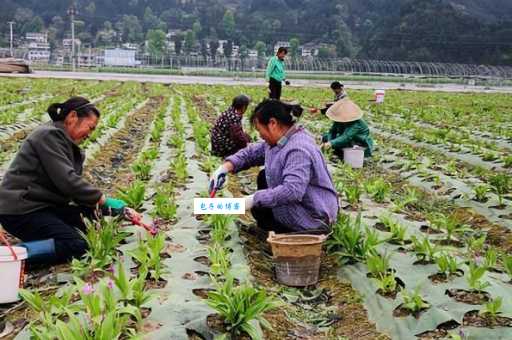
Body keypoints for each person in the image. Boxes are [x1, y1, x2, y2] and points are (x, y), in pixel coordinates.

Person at [0, 96, 128, 265]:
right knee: (76, 244)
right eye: (90, 128)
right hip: (21, 210)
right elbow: (69, 182)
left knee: (89, 225)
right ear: (72, 117)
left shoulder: (63, 141)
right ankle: (12, 259)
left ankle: (38, 245)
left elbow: (74, 191)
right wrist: (105, 201)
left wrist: (108, 210)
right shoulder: (48, 136)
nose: (90, 134)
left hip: (43, 206)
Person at [209, 99, 339, 234]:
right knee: (264, 177)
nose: (259, 135)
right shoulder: (281, 139)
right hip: (303, 203)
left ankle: (292, 232)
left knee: (261, 201)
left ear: (272, 123)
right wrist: (224, 168)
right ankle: (272, 227)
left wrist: (253, 199)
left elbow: (292, 190)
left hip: (313, 216)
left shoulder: (298, 149)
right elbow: (251, 153)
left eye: (259, 130)